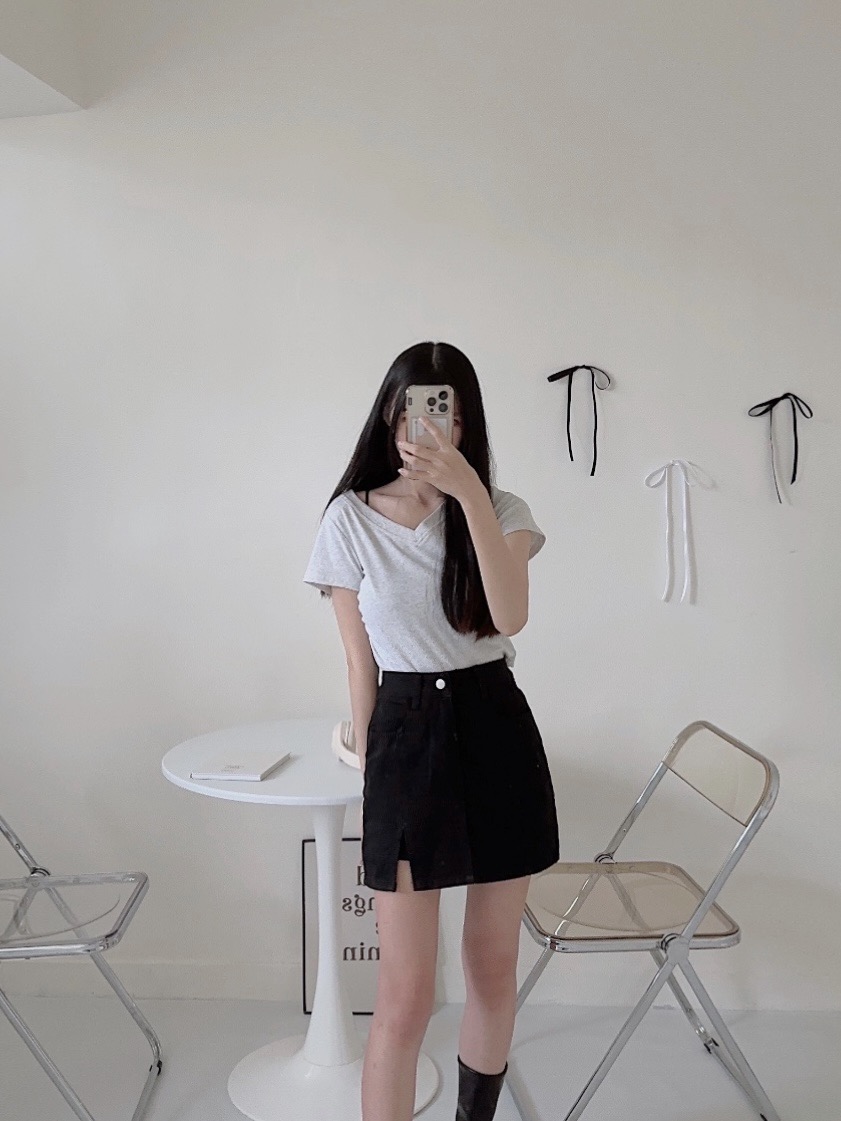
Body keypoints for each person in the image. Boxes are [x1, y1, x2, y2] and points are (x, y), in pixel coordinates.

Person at [303, 341, 559, 1121]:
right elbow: (360, 664)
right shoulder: (348, 519)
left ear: (464, 423)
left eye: (444, 412)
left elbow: (509, 614)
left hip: (495, 730)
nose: (424, 426)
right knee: (404, 991)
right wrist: (372, 767)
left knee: (490, 966)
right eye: (411, 409)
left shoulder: (501, 511)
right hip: (406, 738)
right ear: (389, 417)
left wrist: (468, 492)